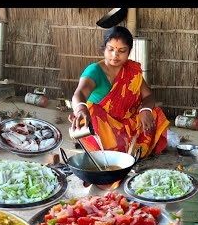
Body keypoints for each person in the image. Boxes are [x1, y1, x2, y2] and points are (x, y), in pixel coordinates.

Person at [69, 26, 169, 158]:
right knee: (91, 111)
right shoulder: (94, 71)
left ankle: (130, 148)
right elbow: (79, 93)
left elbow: (148, 95)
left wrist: (145, 109)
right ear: (104, 49)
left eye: (122, 50)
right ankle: (118, 150)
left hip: (127, 122)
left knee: (154, 112)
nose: (115, 55)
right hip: (105, 127)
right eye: (110, 49)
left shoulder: (131, 71)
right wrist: (81, 109)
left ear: (129, 51)